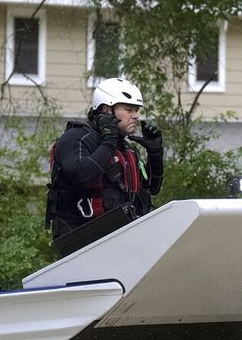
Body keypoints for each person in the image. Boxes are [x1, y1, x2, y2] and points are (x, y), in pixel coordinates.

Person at [46, 77, 164, 248]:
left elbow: (151, 188)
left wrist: (155, 153)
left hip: (119, 237)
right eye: (128, 109)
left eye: (136, 110)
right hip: (81, 240)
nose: (135, 116)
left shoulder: (125, 147)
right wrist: (109, 141)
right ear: (106, 110)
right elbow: (82, 175)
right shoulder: (75, 138)